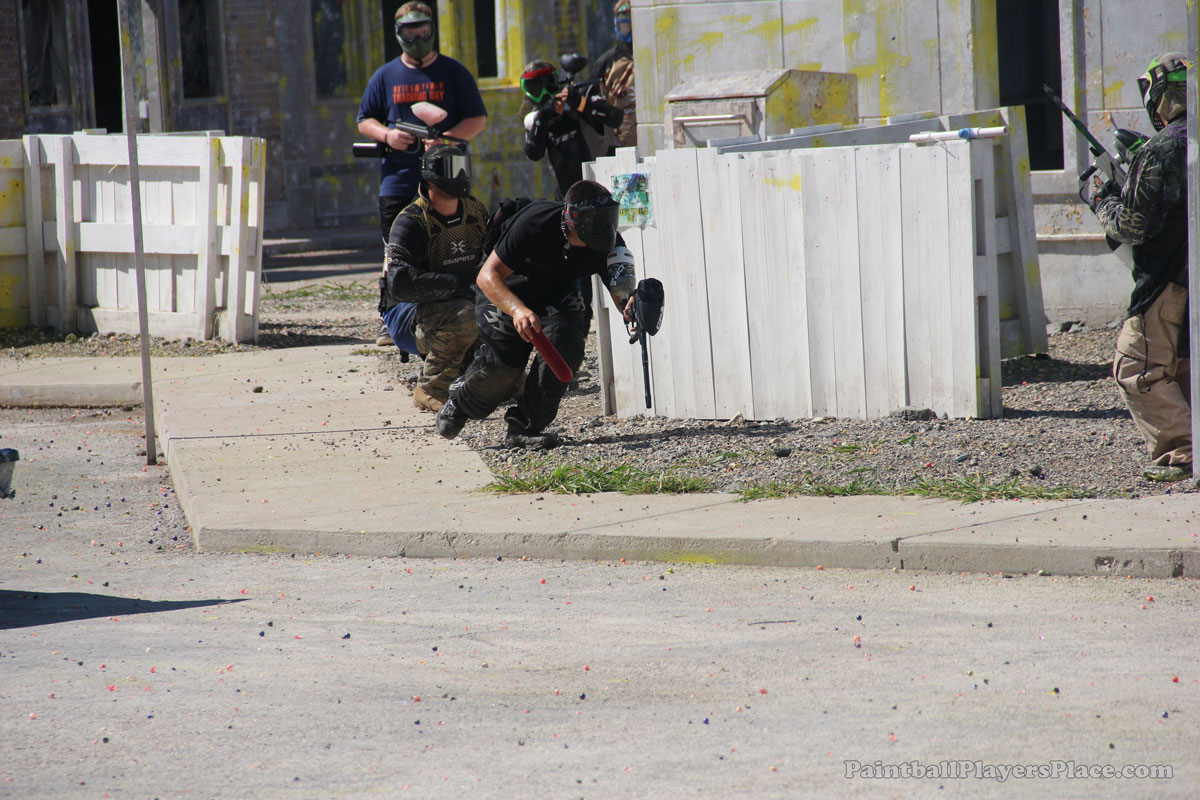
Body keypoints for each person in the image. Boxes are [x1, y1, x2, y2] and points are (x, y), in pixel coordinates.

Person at [435, 180, 638, 448]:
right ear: (573, 219)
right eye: (596, 221)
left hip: (556, 289)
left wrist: (633, 308)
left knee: (565, 348)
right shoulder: (535, 223)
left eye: (608, 218)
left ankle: (525, 426)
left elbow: (622, 296)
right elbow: (487, 276)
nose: (604, 228)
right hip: (507, 286)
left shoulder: (607, 241)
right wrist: (517, 310)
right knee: (506, 363)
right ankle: (462, 401)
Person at [1085, 52, 1191, 482]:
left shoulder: (1164, 148)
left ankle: (1184, 453)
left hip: (1168, 280)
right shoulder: (1175, 145)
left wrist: (1103, 199)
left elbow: (1132, 225)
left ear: (1159, 96)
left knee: (1137, 368)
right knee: (1184, 366)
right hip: (1190, 275)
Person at [357, 1, 487, 346]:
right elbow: (364, 120)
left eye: (423, 31)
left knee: (452, 244)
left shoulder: (454, 71)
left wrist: (447, 140)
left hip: (448, 178)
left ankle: (456, 309)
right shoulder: (385, 76)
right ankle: (390, 315)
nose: (417, 38)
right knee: (394, 250)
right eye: (410, 32)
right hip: (398, 179)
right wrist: (388, 136)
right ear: (398, 34)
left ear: (432, 30)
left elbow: (477, 119)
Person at [382, 143, 489, 413]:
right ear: (430, 177)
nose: (460, 176)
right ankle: (430, 389)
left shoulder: (475, 212)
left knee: (501, 313)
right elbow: (400, 284)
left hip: (462, 304)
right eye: (452, 169)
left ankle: (478, 377)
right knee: (466, 314)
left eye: (463, 167)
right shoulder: (412, 221)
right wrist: (460, 287)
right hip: (406, 313)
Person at [520, 59, 624, 198]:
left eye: (548, 83)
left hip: (606, 184)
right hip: (571, 194)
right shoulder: (537, 118)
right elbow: (533, 153)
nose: (544, 92)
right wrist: (543, 117)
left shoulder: (581, 96)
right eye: (535, 88)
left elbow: (616, 117)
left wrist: (580, 103)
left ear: (556, 81)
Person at [589, 0, 636, 152]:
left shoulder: (654, 58)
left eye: (634, 26)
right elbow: (590, 104)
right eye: (625, 27)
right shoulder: (605, 64)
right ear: (617, 26)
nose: (630, 31)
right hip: (618, 144)